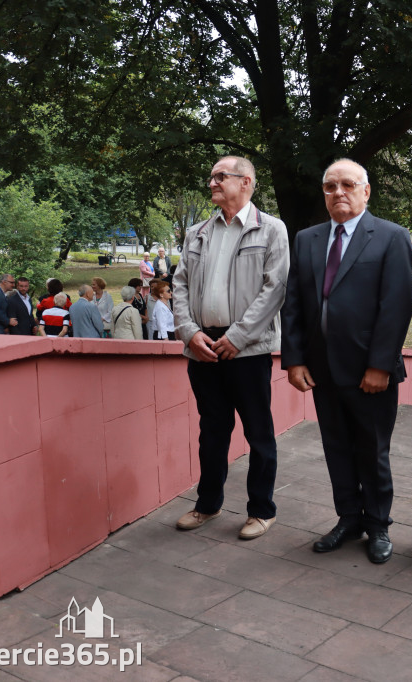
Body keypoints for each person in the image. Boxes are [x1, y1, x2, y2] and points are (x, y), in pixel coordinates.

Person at [281, 158, 412, 564]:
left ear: (365, 191)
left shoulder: (391, 237)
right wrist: (294, 359)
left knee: (372, 450)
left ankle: (378, 525)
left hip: (369, 372)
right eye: (330, 186)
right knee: (336, 447)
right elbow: (294, 304)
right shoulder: (306, 239)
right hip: (321, 368)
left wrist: (380, 365)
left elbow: (396, 307)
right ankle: (348, 518)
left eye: (347, 185)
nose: (338, 192)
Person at [172, 155, 289, 541]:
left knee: (259, 433)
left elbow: (275, 289)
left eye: (221, 176)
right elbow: (180, 286)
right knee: (212, 431)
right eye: (211, 177)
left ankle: (261, 510)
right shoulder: (197, 232)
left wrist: (238, 337)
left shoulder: (271, 229)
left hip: (247, 350)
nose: (212, 183)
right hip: (202, 346)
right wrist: (188, 331)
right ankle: (208, 504)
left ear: (247, 182)